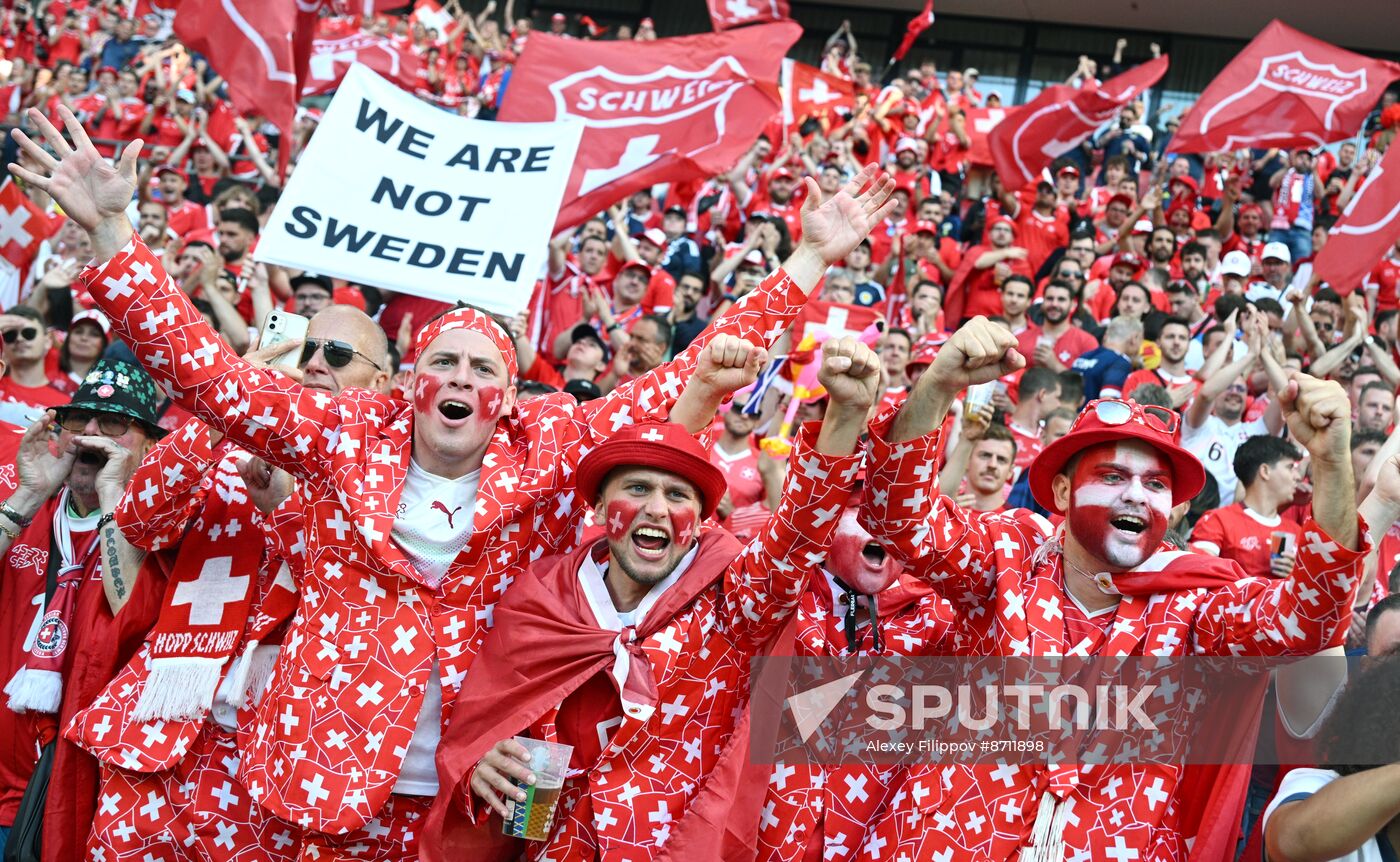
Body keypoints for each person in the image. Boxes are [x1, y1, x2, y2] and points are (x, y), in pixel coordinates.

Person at [10, 106, 895, 856]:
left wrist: (808, 265)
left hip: (464, 793)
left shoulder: (547, 447)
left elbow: (694, 371)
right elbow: (211, 377)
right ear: (410, 383)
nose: (464, 380)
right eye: (447, 361)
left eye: (484, 368)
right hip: (312, 772)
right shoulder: (346, 430)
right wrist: (114, 237)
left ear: (509, 395)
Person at [860, 315, 1365, 859]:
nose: (1135, 496)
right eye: (1111, 477)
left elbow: (1305, 621)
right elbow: (900, 518)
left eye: (1154, 484)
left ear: (1172, 509)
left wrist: (1333, 467)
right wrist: (936, 387)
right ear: (1059, 488)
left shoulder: (1196, 600)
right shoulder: (1006, 552)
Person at [422, 336, 880, 860]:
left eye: (678, 496)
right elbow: (481, 721)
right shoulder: (544, 596)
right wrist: (479, 760)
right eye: (637, 489)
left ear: (700, 523)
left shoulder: (734, 598)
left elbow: (797, 535)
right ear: (598, 507)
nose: (657, 509)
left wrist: (846, 413)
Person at [68, 303, 395, 859]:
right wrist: (229, 405)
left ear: (382, 383)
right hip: (162, 732)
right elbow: (140, 519)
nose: (315, 363)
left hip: (275, 762)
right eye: (305, 348)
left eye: (337, 355)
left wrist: (286, 509)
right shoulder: (224, 451)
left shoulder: (390, 482)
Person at [0, 360, 165, 860]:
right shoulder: (28, 507)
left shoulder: (153, 531)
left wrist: (114, 493)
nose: (90, 434)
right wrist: (28, 494)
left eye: (113, 424)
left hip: (71, 799)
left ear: (148, 444)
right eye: (78, 419)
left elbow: (131, 611)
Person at [1190, 436, 1305, 580]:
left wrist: (1297, 577)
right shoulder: (1217, 520)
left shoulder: (1298, 531)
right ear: (1265, 471)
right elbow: (1198, 572)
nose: (1297, 476)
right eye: (1290, 467)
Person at [1006, 365, 1062, 481]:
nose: (1059, 404)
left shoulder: (1054, 434)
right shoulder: (1002, 434)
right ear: (1042, 394)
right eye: (1057, 397)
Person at [1071, 315, 1141, 400]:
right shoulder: (1120, 362)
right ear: (1134, 338)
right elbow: (1108, 401)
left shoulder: (1083, 357)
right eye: (1141, 338)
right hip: (1090, 412)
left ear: (1106, 335)